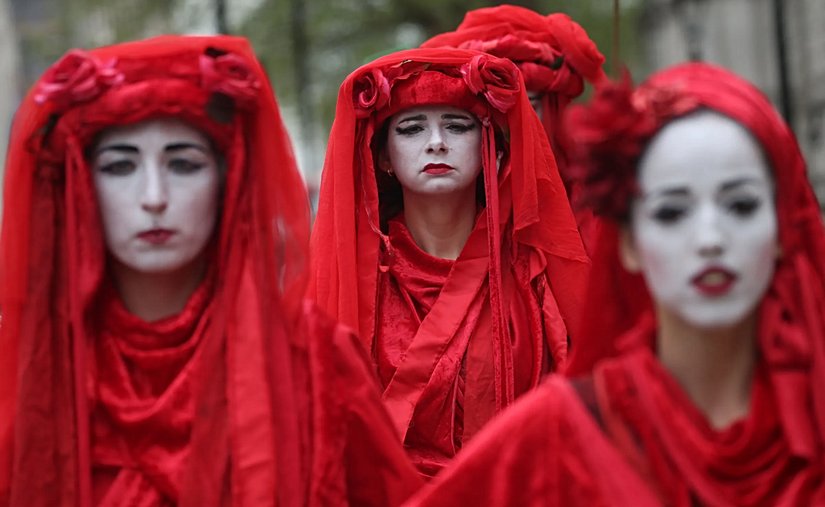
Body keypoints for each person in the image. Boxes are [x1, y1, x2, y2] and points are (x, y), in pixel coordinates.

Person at [0, 35, 421, 506]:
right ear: (80, 186)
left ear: (227, 181)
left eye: (183, 163)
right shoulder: (32, 365)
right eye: (120, 166)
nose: (154, 196)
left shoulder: (316, 362)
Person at [405, 63, 825, 505]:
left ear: (781, 229)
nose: (710, 240)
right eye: (671, 212)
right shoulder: (553, 437)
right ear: (627, 242)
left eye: (740, 206)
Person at [308, 47, 589, 478]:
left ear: (490, 147)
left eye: (457, 126)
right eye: (411, 128)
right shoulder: (356, 281)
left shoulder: (534, 273)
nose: (436, 142)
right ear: (383, 156)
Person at [420, 5, 606, 250]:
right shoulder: (429, 196)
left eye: (530, 107)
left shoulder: (597, 193)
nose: (515, 125)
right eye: (499, 110)